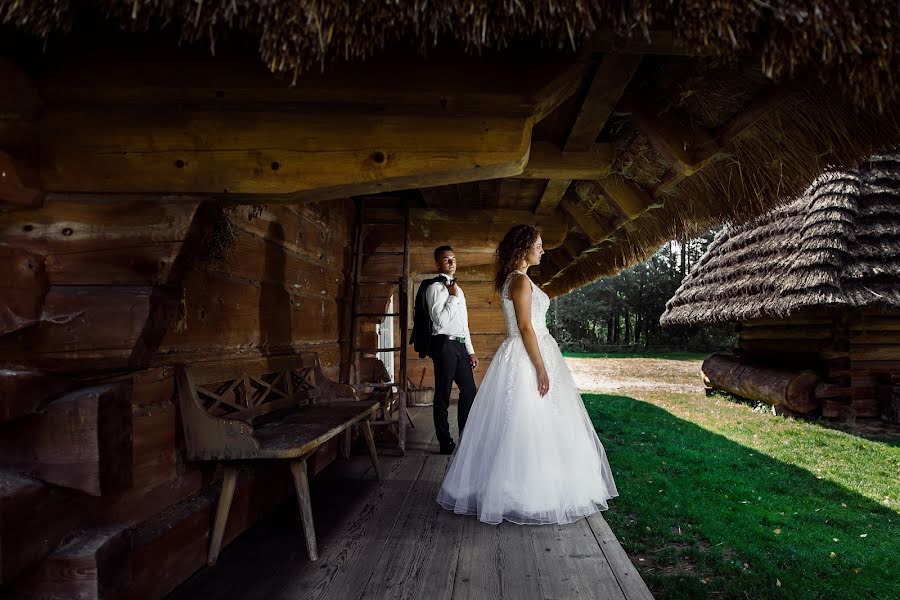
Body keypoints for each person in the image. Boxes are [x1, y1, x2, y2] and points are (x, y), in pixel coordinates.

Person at [436, 225, 618, 525]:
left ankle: (542, 484)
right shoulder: (519, 282)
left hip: (532, 350)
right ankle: (522, 490)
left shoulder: (519, 279)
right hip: (526, 355)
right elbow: (525, 328)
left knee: (541, 420)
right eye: (539, 246)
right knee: (525, 419)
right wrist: (541, 367)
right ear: (523, 249)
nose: (543, 250)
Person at [419, 245, 478, 455]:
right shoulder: (435, 288)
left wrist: (470, 350)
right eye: (446, 260)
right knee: (443, 394)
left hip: (461, 345)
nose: (452, 262)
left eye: (453, 258)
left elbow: (464, 324)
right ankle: (445, 442)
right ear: (438, 264)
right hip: (444, 344)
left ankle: (465, 438)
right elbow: (439, 321)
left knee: (470, 391)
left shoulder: (458, 289)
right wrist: (451, 297)